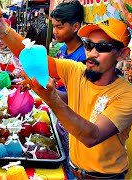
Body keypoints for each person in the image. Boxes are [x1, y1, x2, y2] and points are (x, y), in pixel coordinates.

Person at [0, 12, 132, 179]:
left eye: (102, 47)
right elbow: (31, 55)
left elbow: (92, 136)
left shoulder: (129, 95)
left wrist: (51, 98)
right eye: (88, 45)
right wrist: (2, 28)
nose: (92, 53)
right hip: (72, 169)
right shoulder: (77, 71)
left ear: (122, 54)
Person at [49, 1, 86, 177]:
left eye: (59, 26)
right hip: (61, 118)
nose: (55, 31)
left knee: (72, 169)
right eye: (54, 26)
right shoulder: (62, 49)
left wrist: (48, 91)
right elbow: (57, 79)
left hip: (75, 122)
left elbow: (76, 97)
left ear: (76, 26)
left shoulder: (84, 57)